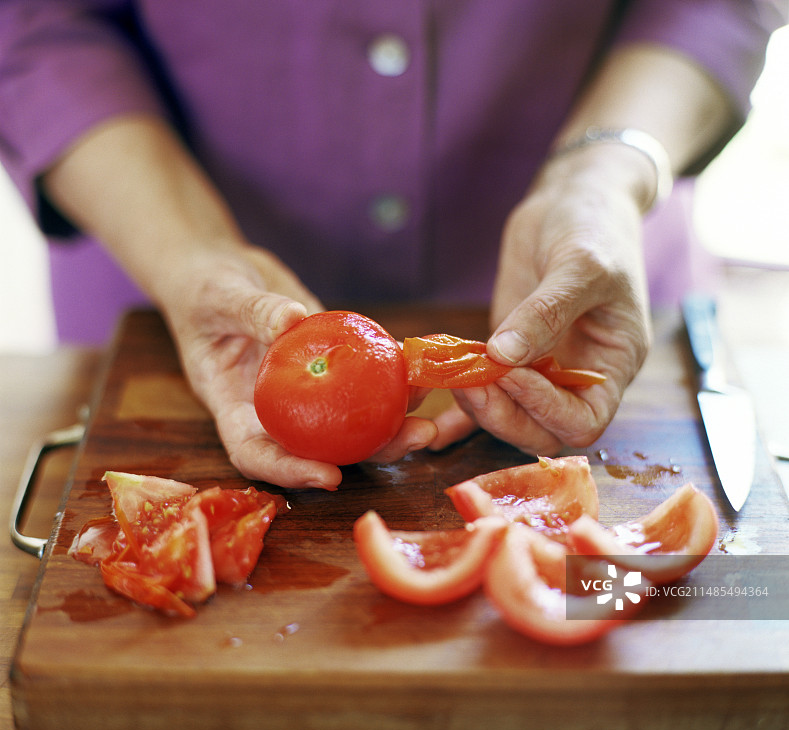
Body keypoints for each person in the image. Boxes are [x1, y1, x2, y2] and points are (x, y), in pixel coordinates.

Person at [0, 1, 784, 490]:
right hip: (160, 279)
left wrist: (602, 178)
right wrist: (188, 254)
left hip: (582, 281)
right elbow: (36, 23)